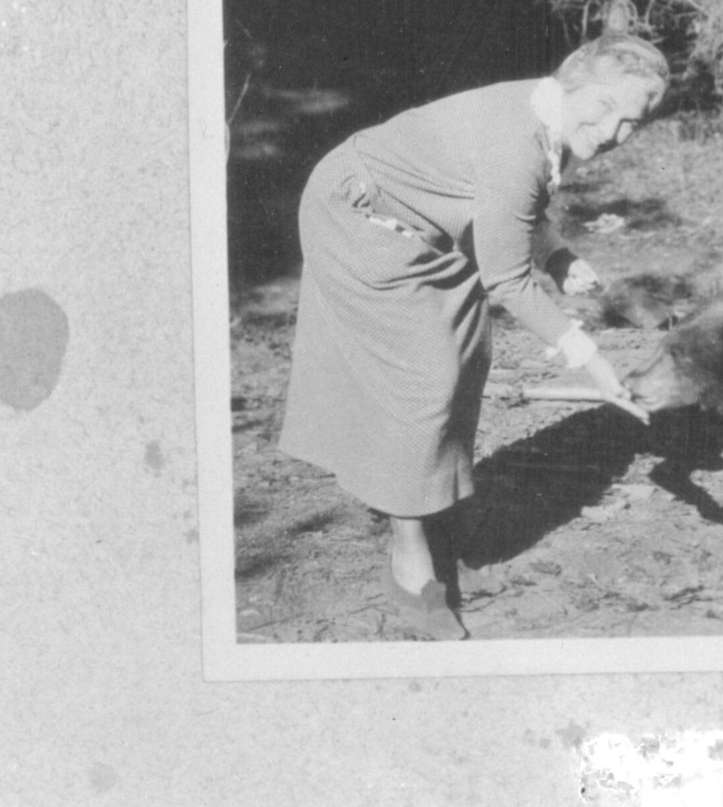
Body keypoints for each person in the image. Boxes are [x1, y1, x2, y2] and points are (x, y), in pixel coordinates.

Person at [277, 33, 670, 639]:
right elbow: (508, 278)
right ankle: (409, 560)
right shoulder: (517, 138)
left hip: (421, 225)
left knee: (467, 355)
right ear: (573, 82)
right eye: (605, 108)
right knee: (426, 382)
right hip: (357, 217)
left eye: (632, 122)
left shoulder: (548, 117)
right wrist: (591, 361)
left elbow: (519, 203)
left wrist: (559, 256)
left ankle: (431, 516)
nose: (615, 131)